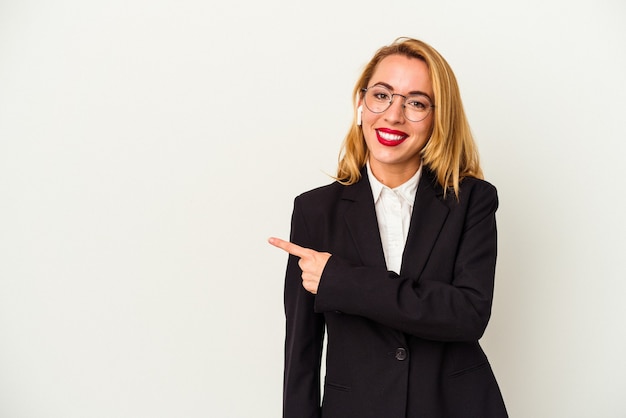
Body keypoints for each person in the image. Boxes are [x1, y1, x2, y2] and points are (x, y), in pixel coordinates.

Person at [268, 37, 508, 418]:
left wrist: (341, 281)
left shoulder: (472, 200)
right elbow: (301, 350)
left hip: (455, 406)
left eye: (416, 102)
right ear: (361, 104)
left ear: (438, 117)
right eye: (382, 95)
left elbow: (467, 314)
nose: (394, 115)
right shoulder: (315, 211)